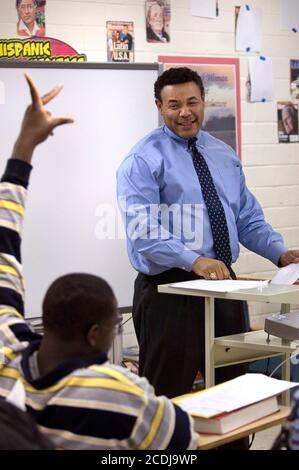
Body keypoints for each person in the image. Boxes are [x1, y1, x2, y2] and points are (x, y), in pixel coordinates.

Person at [0, 73, 198, 451]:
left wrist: (23, 146)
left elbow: (3, 246)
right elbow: (182, 442)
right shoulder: (118, 396)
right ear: (96, 335)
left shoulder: (5, 350)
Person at [117, 67, 299, 402]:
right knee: (169, 399)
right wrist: (194, 260)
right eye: (174, 105)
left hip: (224, 290)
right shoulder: (142, 160)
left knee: (233, 394)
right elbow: (143, 231)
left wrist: (280, 253)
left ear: (204, 102)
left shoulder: (223, 154)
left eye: (192, 102)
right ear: (159, 106)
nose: (184, 112)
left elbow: (246, 218)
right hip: (168, 294)